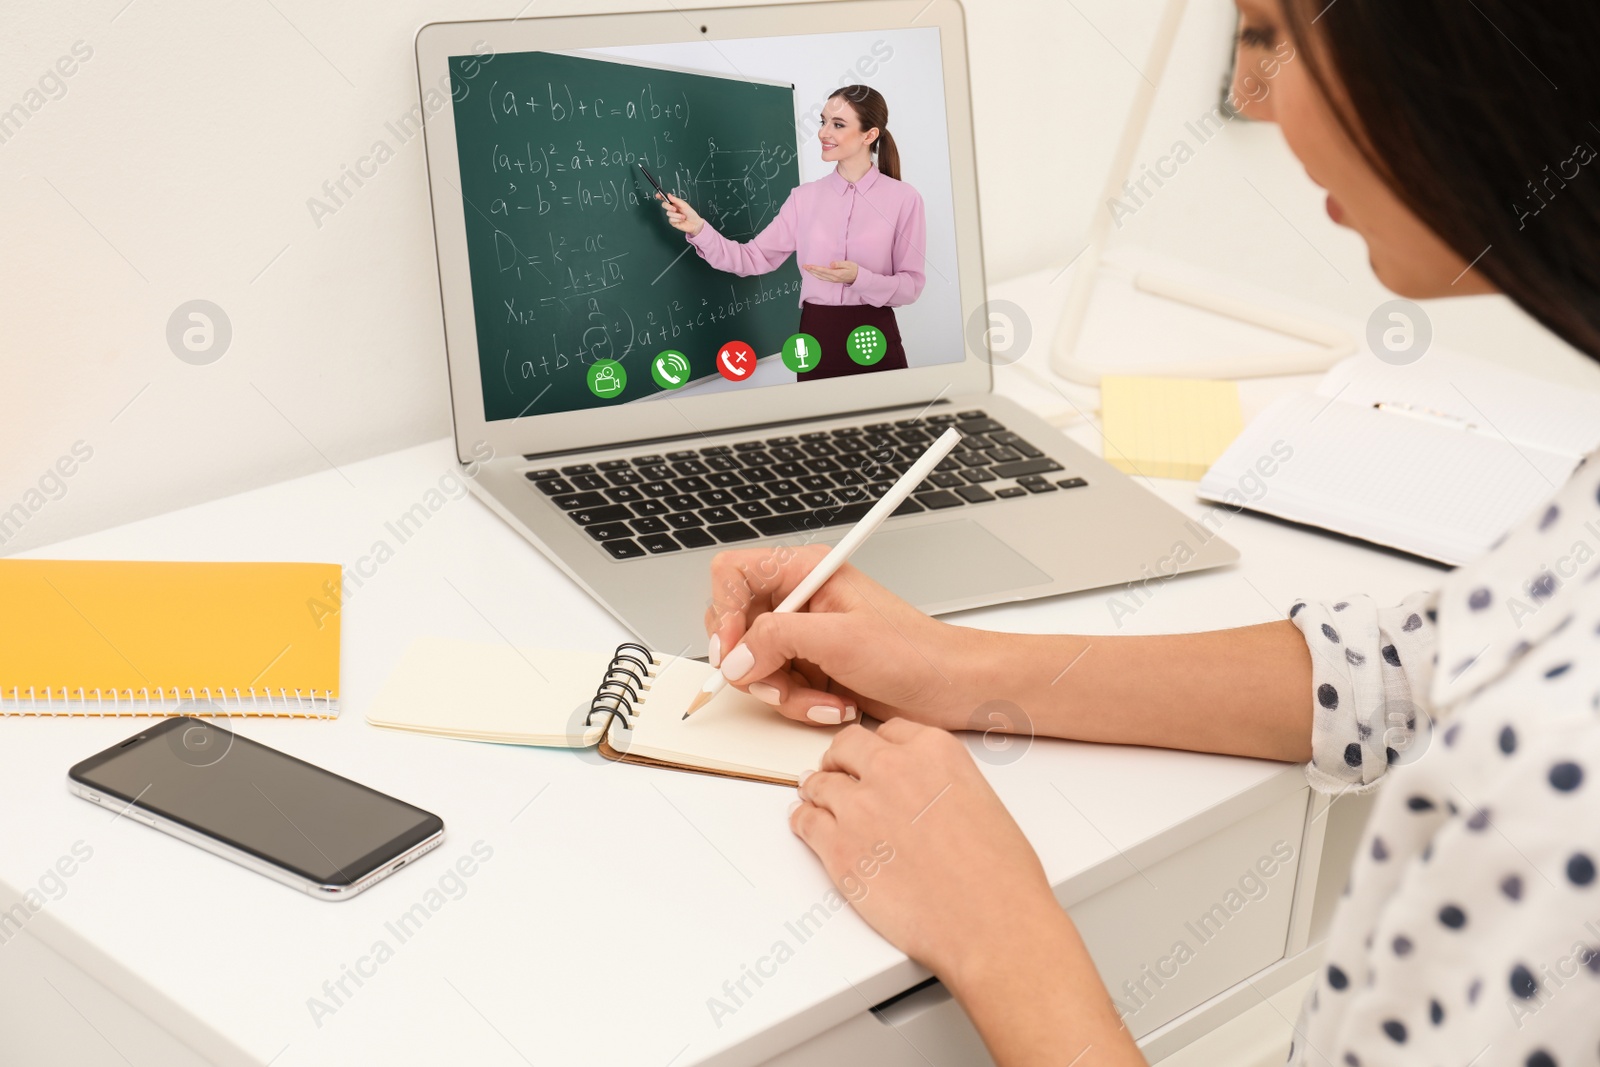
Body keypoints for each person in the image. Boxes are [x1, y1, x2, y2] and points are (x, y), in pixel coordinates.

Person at [702, 0, 1600, 1063]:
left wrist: (997, 934)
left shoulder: (1562, 792)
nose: (1253, 100)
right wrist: (951, 664)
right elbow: (1403, 666)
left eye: (1272, 34)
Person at [657, 84, 926, 379]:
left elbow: (910, 286)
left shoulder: (904, 198)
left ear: (869, 135)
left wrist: (859, 278)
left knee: (882, 423)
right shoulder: (804, 197)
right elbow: (752, 258)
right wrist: (698, 228)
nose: (824, 133)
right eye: (823, 121)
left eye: (838, 124)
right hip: (815, 336)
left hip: (873, 335)